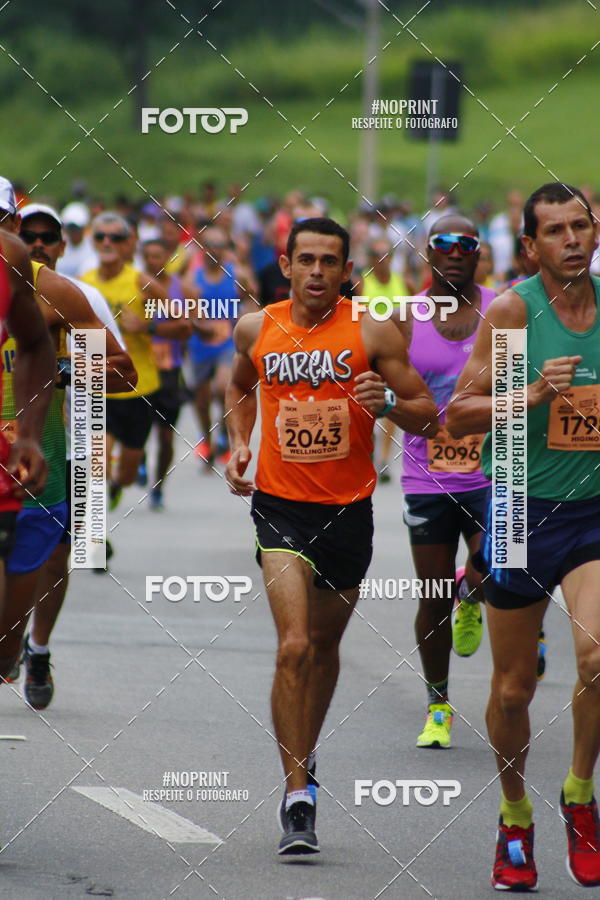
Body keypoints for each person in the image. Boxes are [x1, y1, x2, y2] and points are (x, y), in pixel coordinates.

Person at [225, 217, 438, 855]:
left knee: (321, 647)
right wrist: (240, 443)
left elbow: (427, 414)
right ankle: (297, 796)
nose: (317, 271)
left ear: (347, 271)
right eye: (306, 260)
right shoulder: (256, 327)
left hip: (349, 511)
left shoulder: (371, 330)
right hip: (279, 508)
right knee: (292, 646)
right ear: (286, 266)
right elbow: (239, 386)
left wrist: (388, 407)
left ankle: (305, 752)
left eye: (330, 262)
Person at [447, 183, 600, 891]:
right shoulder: (513, 311)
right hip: (518, 506)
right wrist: (533, 396)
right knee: (513, 690)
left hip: (594, 509)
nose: (573, 239)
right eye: (556, 230)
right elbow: (461, 415)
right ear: (531, 246)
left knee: (597, 659)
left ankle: (577, 795)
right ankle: (514, 815)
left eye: (583, 225)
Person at [0, 187, 135, 707]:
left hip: (58, 446)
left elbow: (123, 375)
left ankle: (35, 645)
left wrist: (66, 371)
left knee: (57, 560)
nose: (34, 243)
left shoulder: (64, 293)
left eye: (42, 237)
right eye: (28, 236)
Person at [395, 216, 494, 749]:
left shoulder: (503, 310)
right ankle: (438, 706)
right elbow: (391, 393)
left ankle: (472, 591)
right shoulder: (406, 316)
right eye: (444, 245)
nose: (455, 252)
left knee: (503, 562)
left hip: (490, 473)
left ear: (479, 254)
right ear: (427, 255)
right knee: (432, 600)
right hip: (426, 478)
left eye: (466, 245)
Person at [0, 183, 55, 679]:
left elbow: (37, 348)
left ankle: (30, 648)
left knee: (63, 542)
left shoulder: (10, 261)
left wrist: (31, 435)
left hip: (30, 450)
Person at [81, 212, 163, 513]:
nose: (107, 242)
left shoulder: (142, 284)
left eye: (115, 237)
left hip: (139, 389)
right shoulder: (83, 285)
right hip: (100, 389)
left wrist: (146, 327)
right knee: (98, 462)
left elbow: (183, 324)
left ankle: (117, 487)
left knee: (126, 473)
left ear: (128, 243)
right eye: (101, 236)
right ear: (93, 241)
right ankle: (98, 536)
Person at [139, 238, 192, 509]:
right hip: (141, 368)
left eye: (158, 256)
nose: (152, 261)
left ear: (167, 258)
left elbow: (188, 327)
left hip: (170, 371)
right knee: (139, 430)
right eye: (147, 256)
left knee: (166, 436)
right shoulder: (135, 287)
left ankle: (158, 485)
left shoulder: (180, 289)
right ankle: (136, 462)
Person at [356, 237, 410, 483]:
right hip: (367, 352)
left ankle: (384, 460)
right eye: (376, 256)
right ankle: (367, 450)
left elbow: (411, 319)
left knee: (389, 405)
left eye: (386, 255)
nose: (381, 260)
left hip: (394, 353)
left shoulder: (403, 283)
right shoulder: (362, 285)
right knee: (366, 405)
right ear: (369, 260)